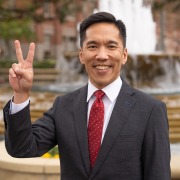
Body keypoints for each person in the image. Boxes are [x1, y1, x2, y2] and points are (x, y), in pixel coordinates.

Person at [3, 12, 171, 180]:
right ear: (81, 55)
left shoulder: (150, 110)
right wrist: (21, 94)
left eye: (111, 46)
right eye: (92, 46)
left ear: (124, 55)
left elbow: (158, 174)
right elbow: (22, 148)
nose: (102, 55)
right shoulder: (64, 105)